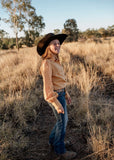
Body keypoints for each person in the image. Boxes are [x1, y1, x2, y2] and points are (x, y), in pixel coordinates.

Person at [37, 33, 77, 160]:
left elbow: (59, 80)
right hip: (54, 96)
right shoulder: (47, 63)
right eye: (54, 43)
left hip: (61, 93)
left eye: (58, 43)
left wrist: (66, 94)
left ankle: (53, 142)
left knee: (62, 121)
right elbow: (48, 88)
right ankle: (60, 151)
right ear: (48, 47)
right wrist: (56, 103)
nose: (58, 45)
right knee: (62, 123)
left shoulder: (55, 60)